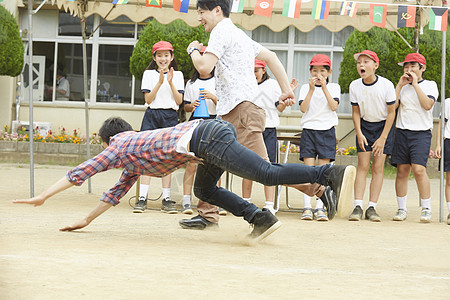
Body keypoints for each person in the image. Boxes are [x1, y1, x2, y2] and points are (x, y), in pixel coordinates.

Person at [13, 117, 355, 242]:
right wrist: (84, 220)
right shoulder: (133, 155)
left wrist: (43, 196)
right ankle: (260, 217)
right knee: (203, 189)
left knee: (264, 172)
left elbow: (81, 172)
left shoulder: (118, 146)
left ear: (108, 140)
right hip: (206, 140)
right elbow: (115, 192)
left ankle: (327, 172)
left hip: (207, 137)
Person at [180, 0, 333, 230]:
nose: (199, 18)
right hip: (231, 113)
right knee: (209, 170)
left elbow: (203, 68)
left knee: (266, 171)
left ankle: (321, 188)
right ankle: (208, 214)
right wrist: (286, 89)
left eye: (201, 12)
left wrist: (193, 49)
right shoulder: (238, 33)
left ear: (217, 10)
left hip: (242, 112)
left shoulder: (221, 31)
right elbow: (270, 56)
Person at [241, 59, 297, 215]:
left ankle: (269, 205)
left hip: (268, 129)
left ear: (264, 70)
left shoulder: (272, 85)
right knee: (247, 167)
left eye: (256, 71)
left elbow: (278, 107)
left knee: (269, 167)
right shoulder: (245, 85)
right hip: (250, 130)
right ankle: (245, 202)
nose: (254, 75)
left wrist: (285, 102)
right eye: (251, 71)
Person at [134, 41, 184, 214]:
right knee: (147, 156)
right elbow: (148, 100)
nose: (163, 59)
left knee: (167, 159)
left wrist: (169, 82)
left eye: (166, 55)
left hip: (170, 116)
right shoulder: (148, 74)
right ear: (154, 58)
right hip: (152, 116)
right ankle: (142, 198)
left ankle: (166, 198)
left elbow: (179, 101)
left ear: (172, 57)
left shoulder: (178, 75)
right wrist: (160, 81)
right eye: (159, 55)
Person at [348, 50, 396, 222]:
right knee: (362, 166)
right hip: (364, 126)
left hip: (383, 126)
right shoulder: (354, 85)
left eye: (366, 62)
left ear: (375, 65)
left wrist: (383, 138)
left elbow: (392, 113)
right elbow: (355, 111)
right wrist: (359, 133)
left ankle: (372, 207)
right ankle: (358, 206)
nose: (361, 65)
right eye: (359, 62)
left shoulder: (387, 85)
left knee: (378, 167)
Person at [391, 53, 438, 223]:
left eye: (413, 66)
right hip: (402, 131)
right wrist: (399, 85)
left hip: (421, 133)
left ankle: (426, 208)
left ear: (422, 68)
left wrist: (415, 84)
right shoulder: (402, 86)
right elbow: (392, 108)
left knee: (419, 169)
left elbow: (427, 105)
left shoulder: (430, 85)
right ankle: (401, 209)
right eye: (406, 66)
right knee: (402, 171)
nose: (408, 70)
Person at [297, 54, 340, 222]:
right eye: (315, 71)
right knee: (309, 172)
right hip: (309, 130)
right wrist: (312, 89)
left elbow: (333, 106)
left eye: (322, 71)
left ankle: (319, 207)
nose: (318, 74)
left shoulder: (334, 87)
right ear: (310, 71)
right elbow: (303, 108)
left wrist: (324, 88)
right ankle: (307, 206)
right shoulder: (305, 88)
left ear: (329, 72)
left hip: (326, 131)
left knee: (323, 173)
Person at [182, 48, 221, 219]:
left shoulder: (219, 81)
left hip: (214, 121)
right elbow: (185, 107)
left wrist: (212, 97)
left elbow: (224, 105)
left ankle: (217, 202)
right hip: (195, 122)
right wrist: (193, 105)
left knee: (215, 165)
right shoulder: (191, 83)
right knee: (192, 163)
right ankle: (185, 200)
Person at [434, 97, 450, 225]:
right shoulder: (448, 102)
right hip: (449, 141)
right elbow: (441, 124)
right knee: (449, 180)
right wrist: (438, 144)